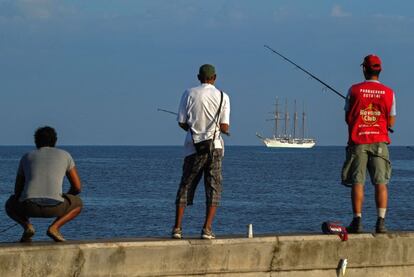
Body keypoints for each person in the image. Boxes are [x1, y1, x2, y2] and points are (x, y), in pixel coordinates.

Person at [172, 64, 230, 239]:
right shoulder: (223, 96)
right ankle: (207, 228)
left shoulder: (188, 93)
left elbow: (182, 122)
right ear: (215, 77)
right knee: (213, 187)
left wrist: (194, 130)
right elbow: (224, 126)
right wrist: (221, 130)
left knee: (186, 185)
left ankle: (177, 228)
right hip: (215, 148)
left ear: (198, 77)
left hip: (193, 147)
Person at [341, 54, 396, 234]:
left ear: (364, 69)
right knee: (381, 183)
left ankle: (357, 221)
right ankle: (381, 222)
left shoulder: (354, 90)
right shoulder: (389, 92)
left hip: (358, 141)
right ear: (379, 70)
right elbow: (391, 122)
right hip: (380, 142)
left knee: (358, 182)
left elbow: (347, 118)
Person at [5, 126, 83, 242]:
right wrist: (64, 197)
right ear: (55, 141)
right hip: (56, 207)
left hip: (29, 207)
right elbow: (77, 187)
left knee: (9, 204)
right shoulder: (65, 155)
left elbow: (17, 191)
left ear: (36, 141)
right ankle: (54, 228)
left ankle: (27, 226)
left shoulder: (27, 156)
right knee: (78, 204)